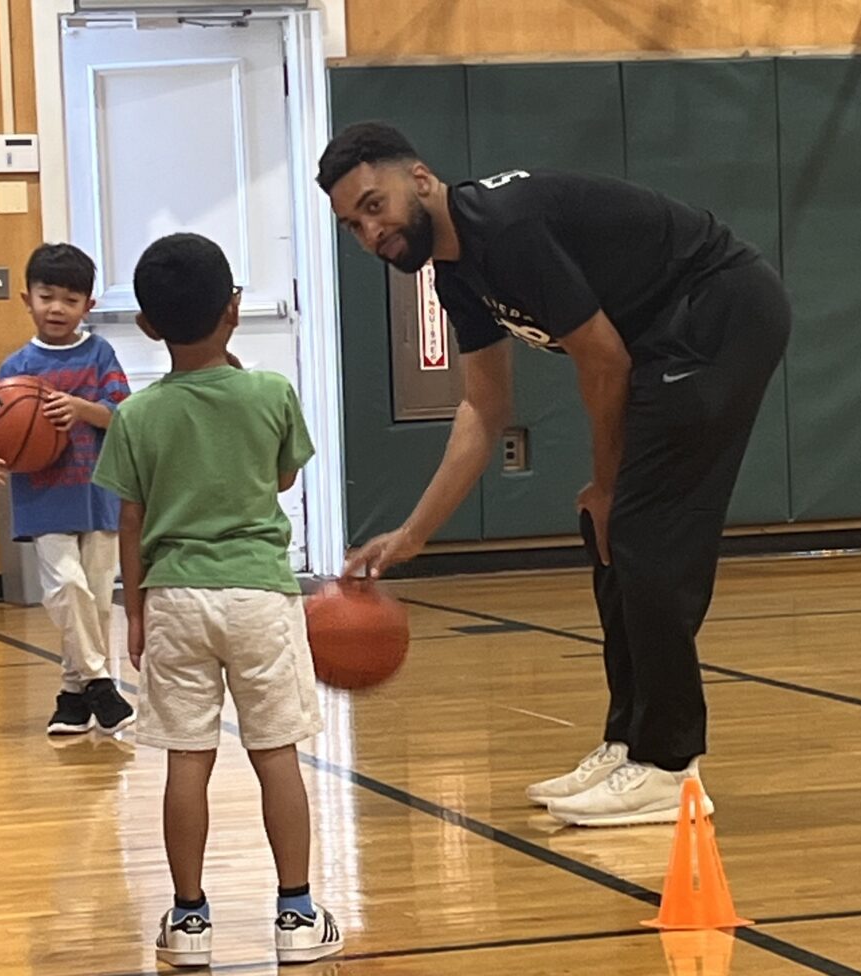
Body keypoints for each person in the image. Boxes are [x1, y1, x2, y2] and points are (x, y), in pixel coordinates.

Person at [317, 122, 791, 827]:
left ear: (419, 180)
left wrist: (607, 483)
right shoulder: (457, 272)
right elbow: (485, 407)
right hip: (663, 338)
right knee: (611, 534)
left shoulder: (503, 229)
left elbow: (604, 361)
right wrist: (412, 535)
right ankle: (630, 741)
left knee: (640, 530)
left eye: (374, 206)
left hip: (718, 313)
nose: (369, 234)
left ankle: (670, 766)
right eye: (354, 225)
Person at [92, 233, 343, 967]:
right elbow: (285, 481)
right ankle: (295, 913)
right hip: (260, 596)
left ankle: (190, 920)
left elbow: (129, 523)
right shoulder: (270, 393)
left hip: (174, 599)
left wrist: (134, 614)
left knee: (187, 761)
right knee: (276, 757)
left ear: (146, 325)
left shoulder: (136, 414)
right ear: (234, 309)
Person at [0, 243, 134, 737]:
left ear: (89, 305)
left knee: (97, 602)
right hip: (42, 497)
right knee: (67, 588)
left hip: (98, 492)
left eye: (69, 299)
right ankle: (102, 682)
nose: (57, 307)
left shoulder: (101, 354)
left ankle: (73, 699)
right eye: (46, 296)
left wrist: (81, 408)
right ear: (27, 299)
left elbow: (123, 417)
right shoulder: (16, 366)